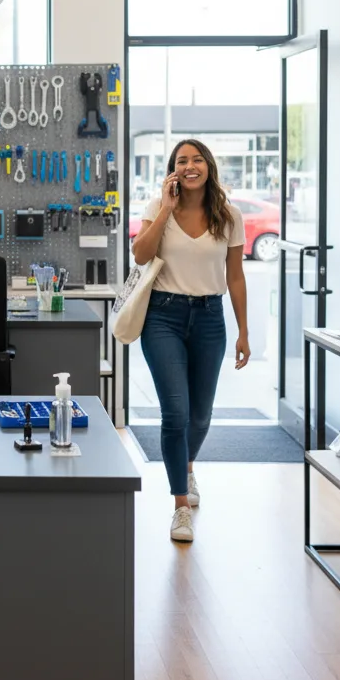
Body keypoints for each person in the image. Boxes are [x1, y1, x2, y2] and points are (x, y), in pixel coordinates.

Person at [131, 138, 250, 543]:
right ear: (172, 170)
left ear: (208, 165)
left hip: (210, 319)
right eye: (181, 161)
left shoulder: (229, 215)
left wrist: (244, 331)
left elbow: (235, 276)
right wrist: (165, 208)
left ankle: (188, 467)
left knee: (201, 416)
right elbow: (140, 256)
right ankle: (180, 505)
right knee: (176, 413)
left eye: (196, 159)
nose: (189, 166)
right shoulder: (157, 208)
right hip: (162, 317)